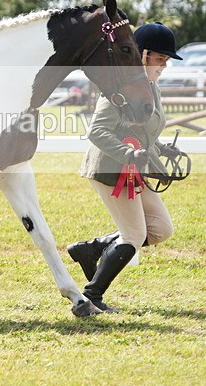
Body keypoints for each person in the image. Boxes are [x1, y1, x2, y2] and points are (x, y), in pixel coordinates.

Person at [71, 22, 185, 313]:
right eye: (160, 59)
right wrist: (128, 153)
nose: (164, 66)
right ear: (143, 55)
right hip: (111, 169)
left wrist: (161, 149)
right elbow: (97, 131)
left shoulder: (150, 87)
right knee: (133, 235)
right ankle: (92, 296)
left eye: (166, 62)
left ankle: (93, 248)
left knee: (160, 229)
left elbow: (143, 131)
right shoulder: (119, 88)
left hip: (133, 170)